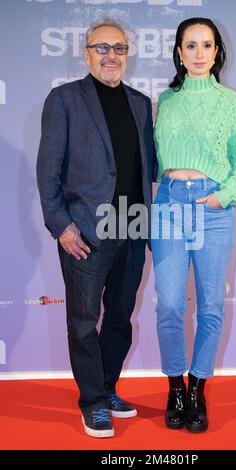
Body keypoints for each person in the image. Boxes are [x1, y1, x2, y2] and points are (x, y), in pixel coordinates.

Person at [37, 20, 155, 438]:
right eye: (102, 48)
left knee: (120, 318)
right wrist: (61, 226)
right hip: (85, 231)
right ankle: (91, 403)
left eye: (119, 48)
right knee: (84, 321)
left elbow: (147, 170)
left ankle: (107, 390)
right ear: (87, 54)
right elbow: (48, 172)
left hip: (133, 227)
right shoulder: (65, 99)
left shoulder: (141, 103)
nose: (111, 56)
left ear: (128, 54)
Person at [152, 17, 236, 433]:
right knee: (169, 304)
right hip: (168, 206)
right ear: (179, 53)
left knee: (212, 305)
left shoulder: (232, 104)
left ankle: (197, 389)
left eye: (207, 45)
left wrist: (222, 196)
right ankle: (175, 387)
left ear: (217, 53)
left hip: (213, 208)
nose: (199, 54)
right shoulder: (164, 101)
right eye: (190, 46)